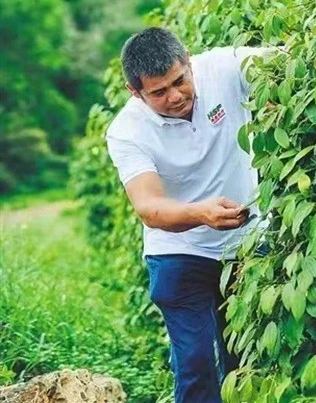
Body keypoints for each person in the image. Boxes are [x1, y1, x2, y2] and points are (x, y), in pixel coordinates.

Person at [105, 27, 269, 403]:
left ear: (189, 61)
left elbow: (292, 63)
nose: (175, 96)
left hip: (246, 245)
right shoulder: (126, 131)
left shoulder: (226, 66)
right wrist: (201, 213)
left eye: (180, 81)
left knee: (244, 360)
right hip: (178, 251)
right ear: (135, 92)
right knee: (196, 364)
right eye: (159, 92)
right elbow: (149, 207)